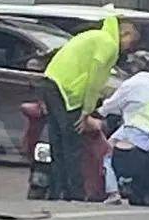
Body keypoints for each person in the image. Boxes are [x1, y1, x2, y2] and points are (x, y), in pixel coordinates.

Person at [42, 14, 140, 201]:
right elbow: (95, 78)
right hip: (66, 89)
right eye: (130, 42)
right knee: (72, 141)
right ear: (124, 33)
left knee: (58, 141)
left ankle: (57, 191)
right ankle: (75, 193)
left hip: (51, 81)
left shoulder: (96, 35)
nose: (129, 48)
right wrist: (87, 110)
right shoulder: (108, 44)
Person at [96, 50, 149, 205]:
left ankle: (113, 192)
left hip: (132, 128)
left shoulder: (129, 84)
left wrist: (98, 111)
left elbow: (111, 105)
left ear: (134, 66)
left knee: (105, 152)